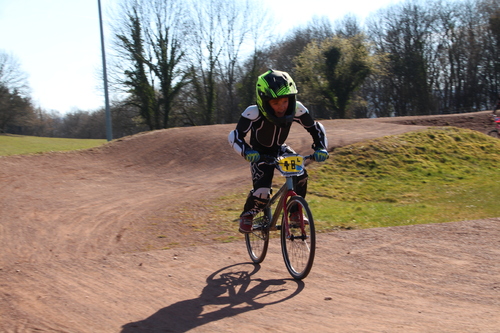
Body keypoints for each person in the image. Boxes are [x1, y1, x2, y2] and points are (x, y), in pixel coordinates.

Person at [228, 69, 329, 233]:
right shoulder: (253, 113)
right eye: (275, 103)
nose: (282, 107)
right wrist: (247, 152)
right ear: (264, 101)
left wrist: (320, 147)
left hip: (280, 150)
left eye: (285, 101)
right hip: (259, 153)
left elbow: (316, 128)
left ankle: (295, 212)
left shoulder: (297, 109)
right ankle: (247, 214)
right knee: (262, 193)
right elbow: (235, 136)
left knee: (301, 175)